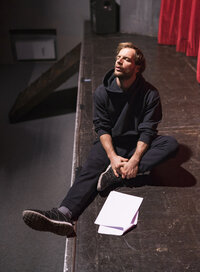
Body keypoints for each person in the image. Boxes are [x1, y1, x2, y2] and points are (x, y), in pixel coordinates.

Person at [22, 42, 178, 237]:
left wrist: (135, 160)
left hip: (137, 143)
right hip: (112, 142)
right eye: (118, 57)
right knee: (90, 169)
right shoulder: (102, 92)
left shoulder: (150, 94)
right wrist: (112, 157)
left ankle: (116, 175)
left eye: (126, 59)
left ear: (137, 68)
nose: (119, 61)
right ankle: (63, 214)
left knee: (170, 144)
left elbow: (148, 130)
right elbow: (102, 127)